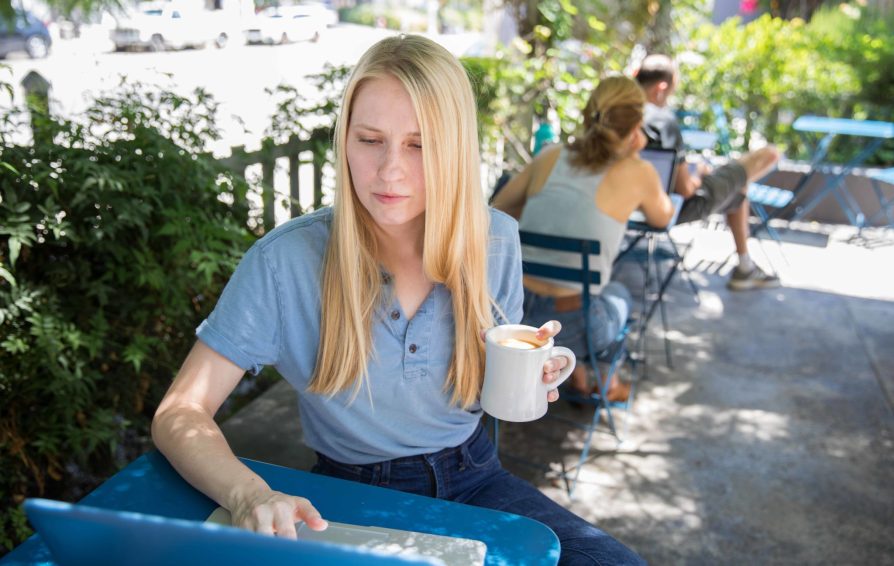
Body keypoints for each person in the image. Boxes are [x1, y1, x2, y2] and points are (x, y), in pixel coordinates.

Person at [152, 35, 645, 565]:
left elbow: (478, 386)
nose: (390, 170)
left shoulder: (495, 240)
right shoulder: (285, 262)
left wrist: (526, 374)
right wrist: (249, 494)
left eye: (420, 144)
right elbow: (179, 411)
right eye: (370, 140)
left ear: (455, 150)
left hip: (476, 479)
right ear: (344, 141)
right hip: (346, 495)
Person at [493, 76, 675, 403]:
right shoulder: (639, 171)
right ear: (636, 124)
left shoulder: (549, 156)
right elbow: (663, 216)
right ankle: (608, 381)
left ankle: (576, 375)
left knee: (592, 293)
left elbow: (496, 212)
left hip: (514, 313)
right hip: (574, 327)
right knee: (620, 292)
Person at [634, 53, 781, 291]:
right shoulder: (661, 121)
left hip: (621, 204)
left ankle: (745, 266)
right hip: (667, 208)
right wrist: (699, 173)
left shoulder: (614, 114)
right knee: (768, 155)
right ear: (661, 89)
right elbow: (684, 189)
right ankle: (745, 266)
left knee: (737, 192)